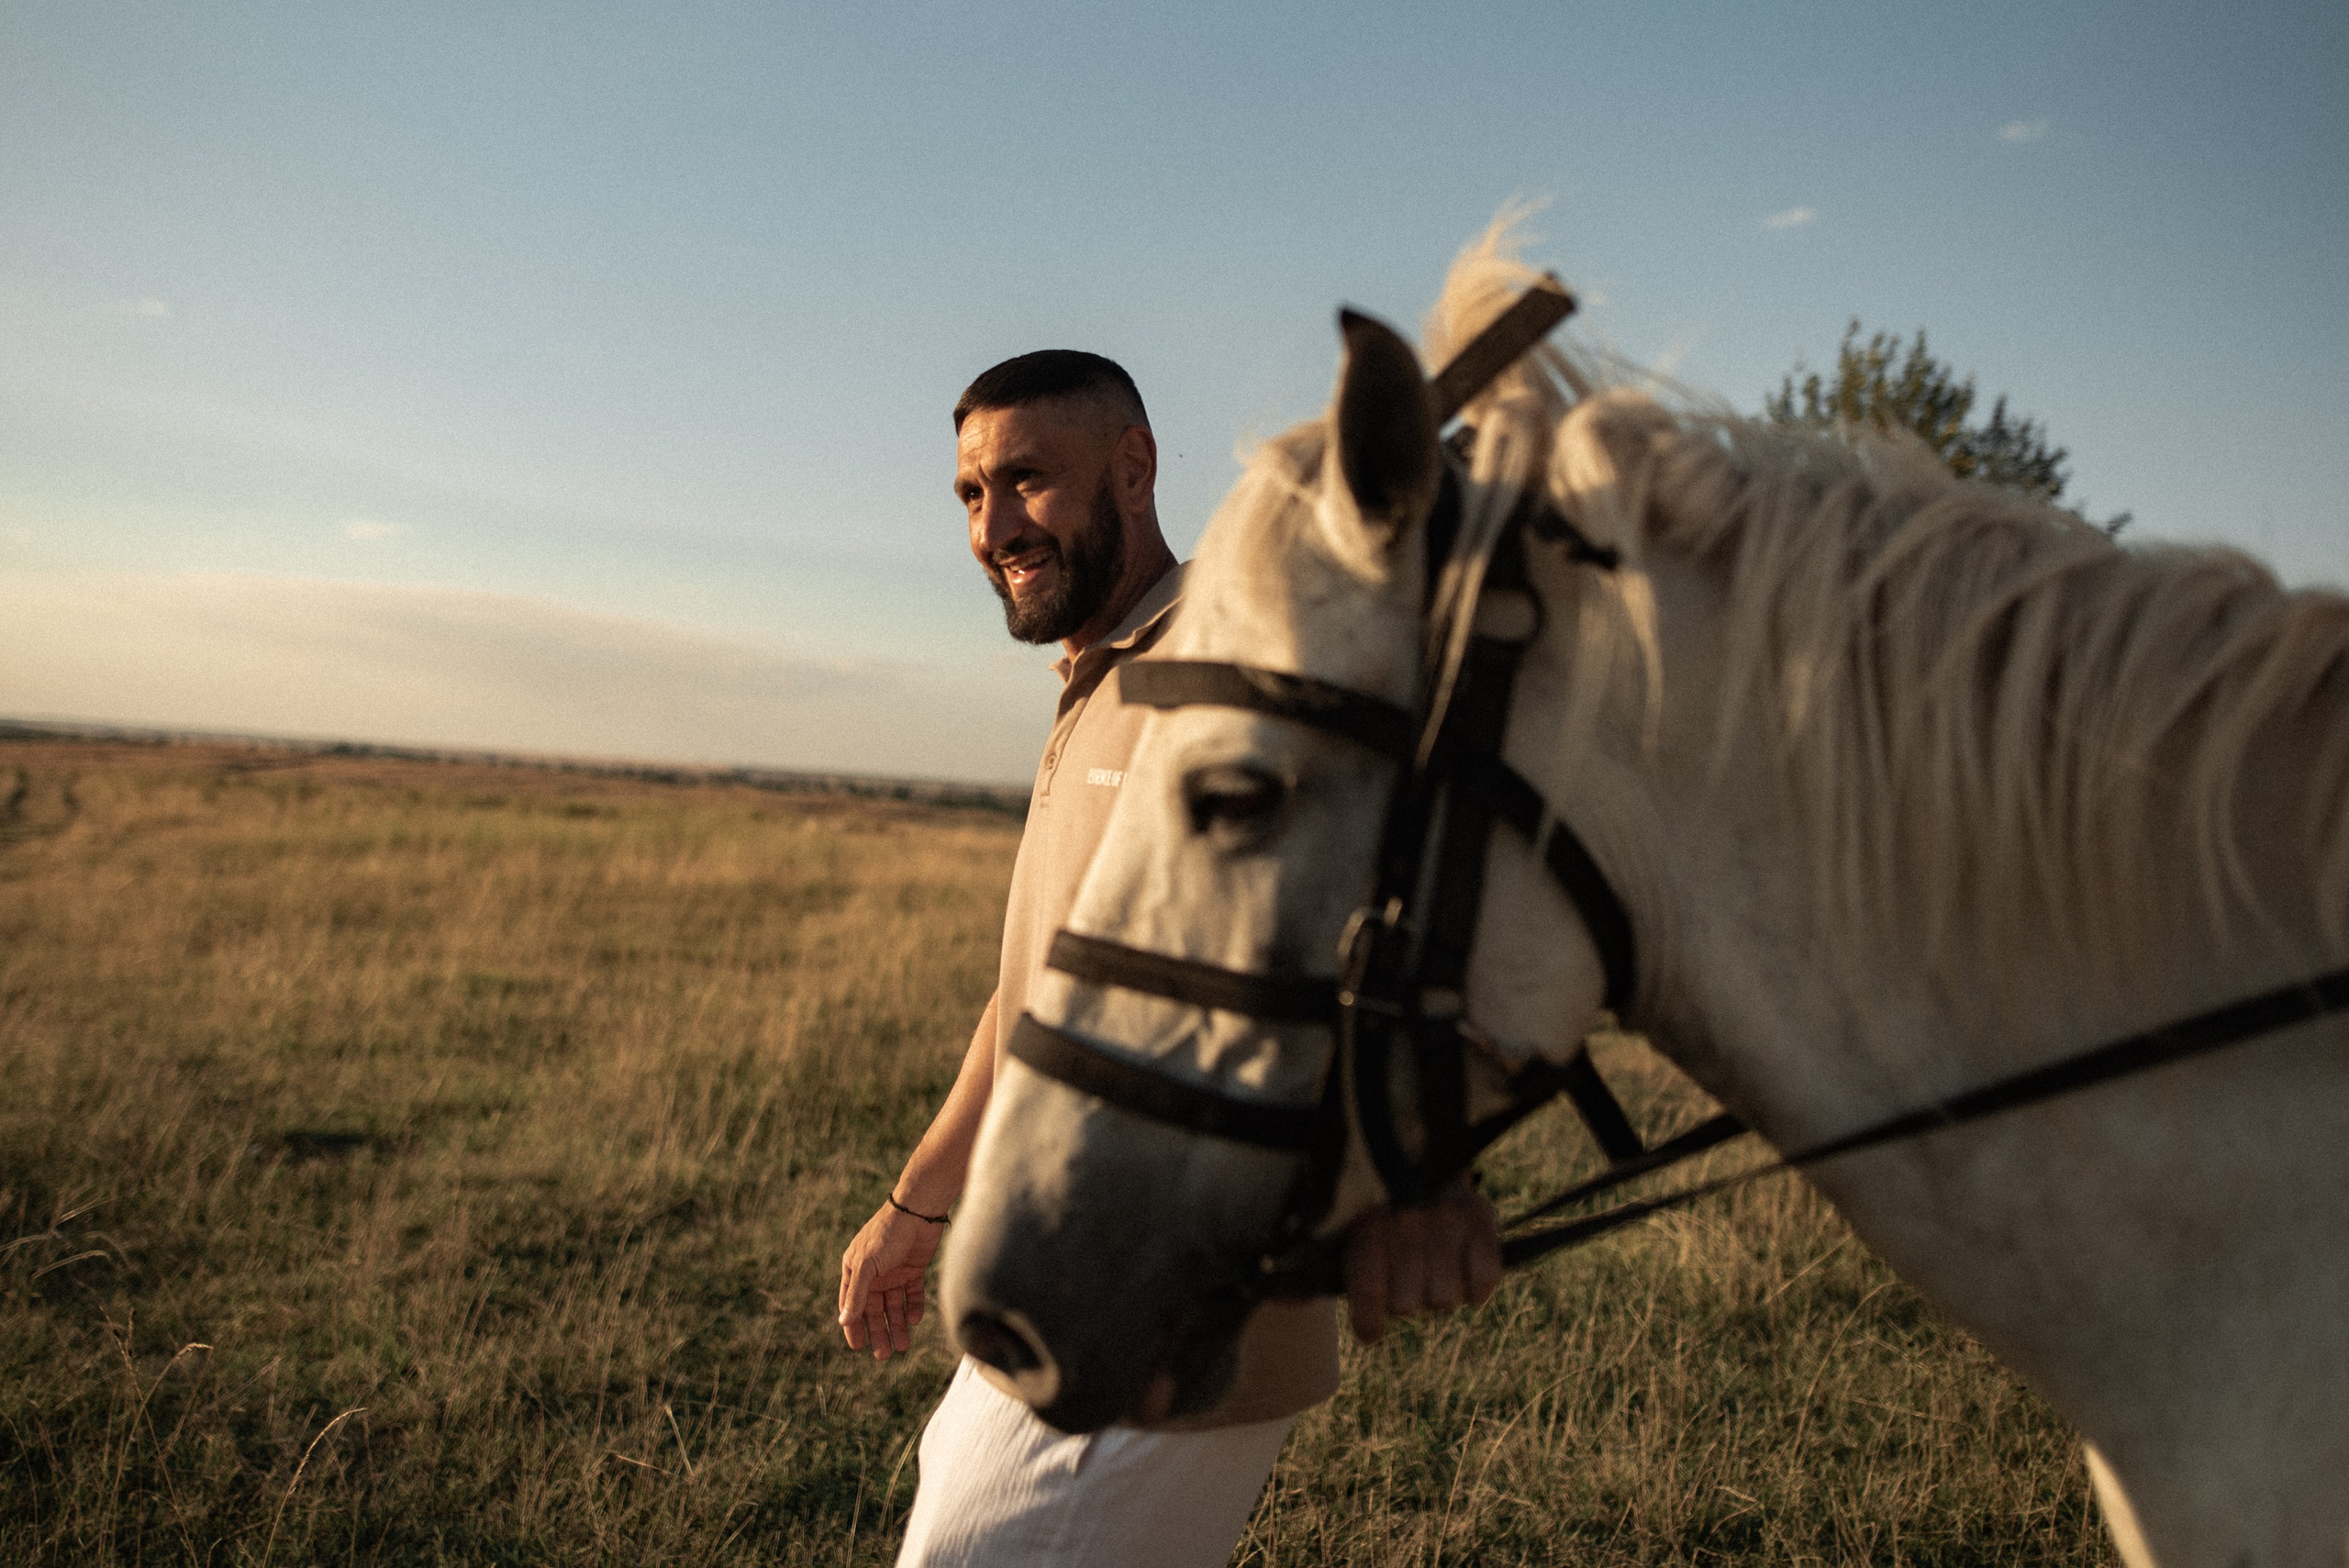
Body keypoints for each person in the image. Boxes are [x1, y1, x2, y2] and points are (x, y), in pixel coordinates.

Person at [837, 350, 1504, 1568]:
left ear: (1134, 469)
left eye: (1027, 480)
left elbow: (1382, 935)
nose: (993, 527)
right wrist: (916, 1203)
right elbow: (1036, 994)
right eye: (972, 493)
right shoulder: (1099, 678)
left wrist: (1427, 1180)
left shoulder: (1229, 663)